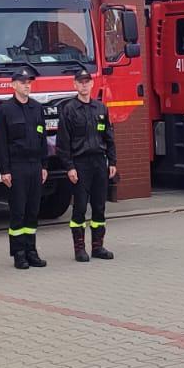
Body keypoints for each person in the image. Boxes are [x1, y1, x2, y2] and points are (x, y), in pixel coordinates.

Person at [55, 70, 117, 262]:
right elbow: (63, 143)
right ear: (75, 85)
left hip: (99, 162)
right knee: (80, 206)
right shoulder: (69, 109)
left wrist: (112, 161)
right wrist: (69, 167)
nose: (84, 85)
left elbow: (109, 137)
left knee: (99, 206)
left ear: (92, 84)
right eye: (80, 82)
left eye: (87, 82)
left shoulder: (100, 108)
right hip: (80, 163)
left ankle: (98, 247)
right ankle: (79, 249)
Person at [0, 68, 48, 270]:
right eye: (23, 82)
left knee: (33, 210)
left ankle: (31, 251)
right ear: (13, 85)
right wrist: (5, 170)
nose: (27, 85)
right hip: (17, 166)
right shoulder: (5, 110)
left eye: (29, 82)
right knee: (18, 210)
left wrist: (44, 165)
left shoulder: (37, 108)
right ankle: (18, 253)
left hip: (35, 165)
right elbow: (0, 142)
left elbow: (42, 138)